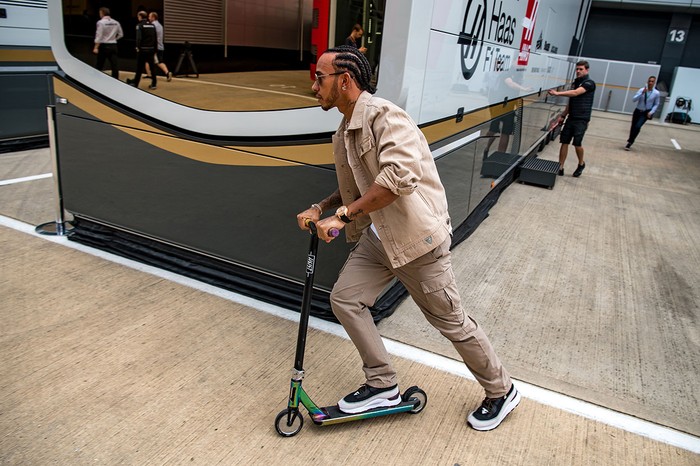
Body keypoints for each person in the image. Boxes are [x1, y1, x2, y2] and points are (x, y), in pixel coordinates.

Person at [296, 45, 520, 431]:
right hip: (379, 240)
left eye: (320, 77)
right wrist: (322, 207)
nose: (314, 85)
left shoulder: (386, 117)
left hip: (418, 243)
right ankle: (381, 383)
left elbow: (397, 179)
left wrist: (344, 216)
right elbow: (355, 187)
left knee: (452, 323)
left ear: (344, 80)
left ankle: (501, 390)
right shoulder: (344, 130)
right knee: (346, 300)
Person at [548, 60, 596, 177]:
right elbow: (571, 101)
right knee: (564, 141)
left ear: (587, 70)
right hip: (571, 117)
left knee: (577, 143)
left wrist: (557, 93)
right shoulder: (576, 82)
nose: (578, 71)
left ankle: (581, 163)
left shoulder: (589, 83)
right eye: (577, 69)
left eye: (581, 69)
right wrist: (563, 115)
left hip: (582, 119)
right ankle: (560, 167)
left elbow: (575, 93)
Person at [625, 76, 660, 151]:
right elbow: (634, 99)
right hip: (638, 111)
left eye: (652, 81)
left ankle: (630, 142)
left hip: (646, 113)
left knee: (637, 126)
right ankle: (630, 140)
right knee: (633, 127)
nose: (650, 83)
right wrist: (642, 93)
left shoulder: (656, 93)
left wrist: (651, 112)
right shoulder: (641, 90)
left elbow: (656, 104)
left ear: (654, 83)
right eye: (649, 81)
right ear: (647, 82)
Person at [126, 11, 157, 90]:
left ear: (140, 16)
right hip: (151, 49)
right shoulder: (152, 25)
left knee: (139, 67)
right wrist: (155, 49)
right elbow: (155, 38)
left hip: (143, 50)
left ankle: (136, 83)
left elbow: (138, 38)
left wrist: (138, 47)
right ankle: (154, 83)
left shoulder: (139, 25)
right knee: (152, 67)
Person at [93, 7, 123, 79]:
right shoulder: (116, 22)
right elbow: (121, 34)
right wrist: (113, 39)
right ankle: (115, 80)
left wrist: (96, 47)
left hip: (104, 46)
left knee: (99, 64)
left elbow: (99, 35)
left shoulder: (100, 22)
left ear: (102, 13)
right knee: (114, 65)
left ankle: (96, 79)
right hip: (113, 45)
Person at [144, 12, 172, 82]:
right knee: (153, 61)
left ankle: (166, 73)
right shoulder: (160, 25)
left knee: (157, 62)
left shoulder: (153, 25)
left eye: (150, 17)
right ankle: (150, 74)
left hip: (155, 47)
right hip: (160, 46)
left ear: (153, 17)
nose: (148, 18)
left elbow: (151, 36)